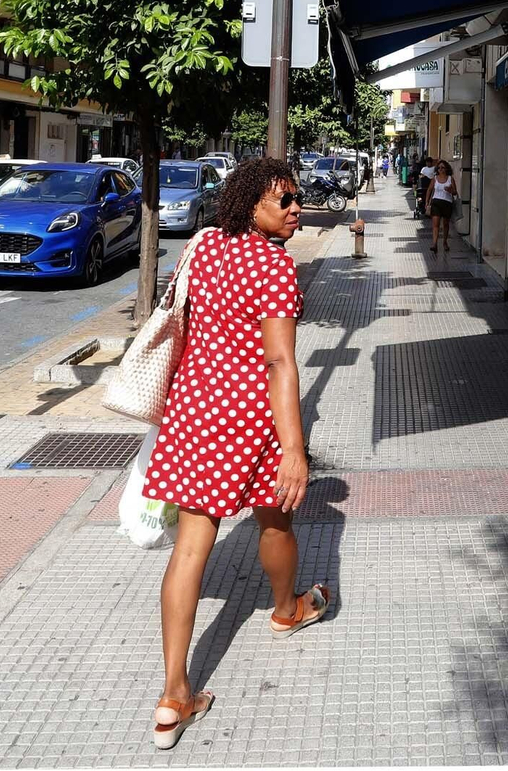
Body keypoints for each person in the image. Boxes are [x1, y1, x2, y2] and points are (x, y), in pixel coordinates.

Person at [143, 157, 330, 751]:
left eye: (297, 198)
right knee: (276, 517)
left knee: (191, 546)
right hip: (249, 418)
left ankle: (174, 696)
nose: (296, 208)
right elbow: (279, 363)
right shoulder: (275, 268)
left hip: (194, 411)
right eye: (285, 201)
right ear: (253, 206)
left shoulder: (204, 248)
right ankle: (286, 609)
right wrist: (294, 448)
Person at [426, 159, 458, 252]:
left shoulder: (450, 179)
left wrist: (450, 190)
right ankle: (434, 244)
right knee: (435, 224)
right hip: (436, 203)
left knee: (445, 224)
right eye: (439, 167)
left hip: (447, 203)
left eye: (442, 167)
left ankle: (444, 242)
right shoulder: (435, 178)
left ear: (446, 168)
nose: (440, 169)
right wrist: (427, 202)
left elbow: (455, 192)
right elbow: (429, 190)